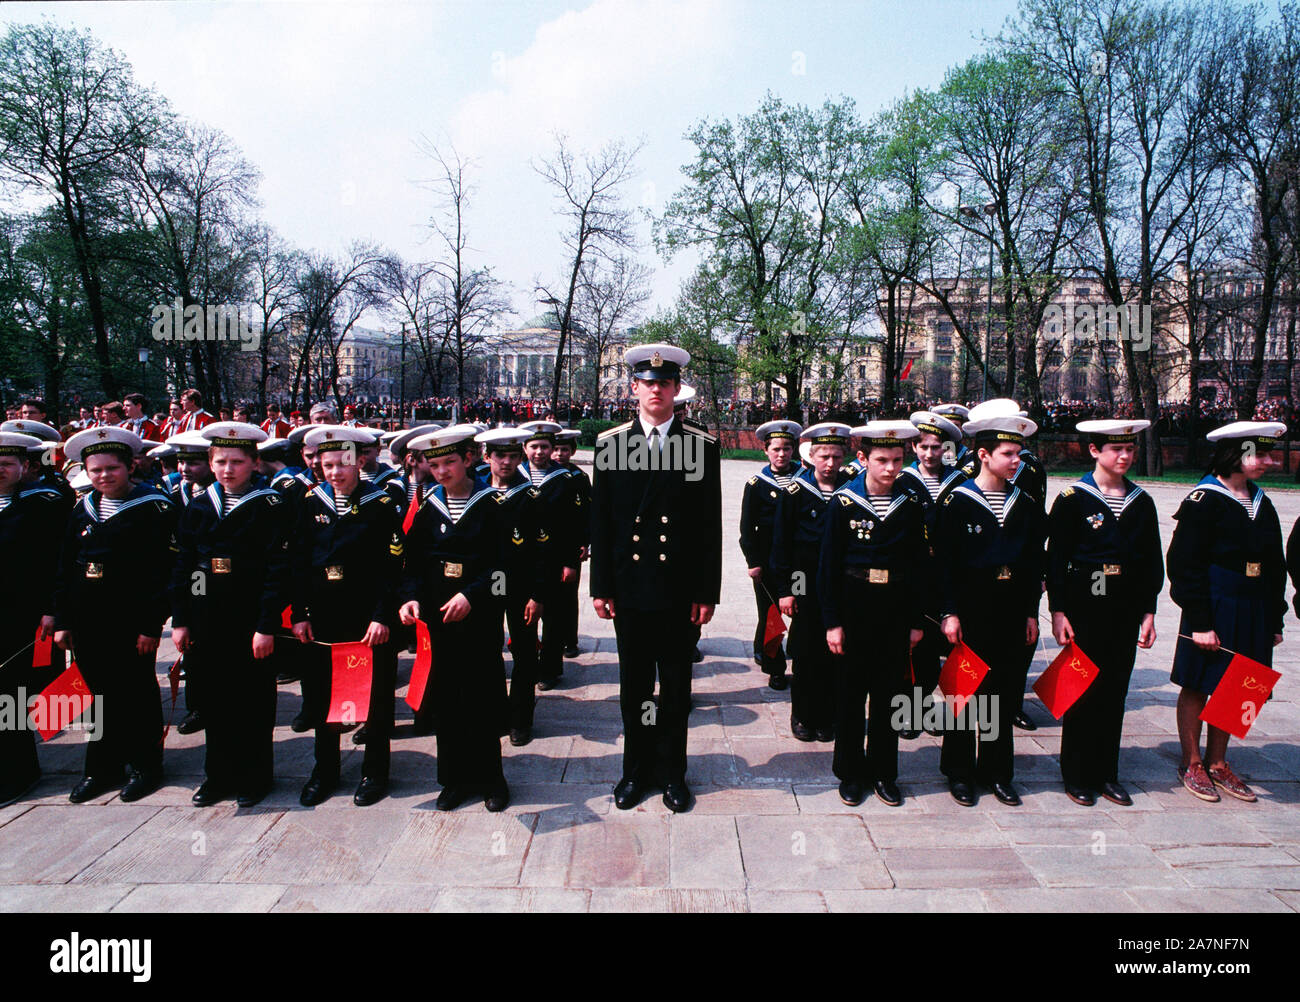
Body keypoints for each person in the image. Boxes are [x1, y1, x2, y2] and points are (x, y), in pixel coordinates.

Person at [590, 344, 721, 813]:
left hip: (679, 590)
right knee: (635, 687)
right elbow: (602, 523)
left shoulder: (701, 446)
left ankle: (673, 774)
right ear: (634, 388)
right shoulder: (611, 445)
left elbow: (710, 526)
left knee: (677, 688)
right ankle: (634, 770)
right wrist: (600, 585)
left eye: (665, 383)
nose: (657, 391)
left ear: (676, 389)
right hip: (630, 587)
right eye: (648, 383)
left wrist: (707, 592)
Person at [51, 427, 177, 803]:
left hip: (132, 622)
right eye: (95, 470)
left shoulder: (155, 508)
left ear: (131, 466)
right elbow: (65, 568)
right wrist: (63, 620)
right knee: (99, 695)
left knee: (136, 692)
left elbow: (164, 573)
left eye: (112, 469)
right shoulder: (82, 508)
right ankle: (102, 767)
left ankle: (145, 765)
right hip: (89, 620)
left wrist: (150, 624)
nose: (104, 476)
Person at [170, 422, 291, 808]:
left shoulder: (270, 504)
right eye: (220, 461)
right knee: (214, 700)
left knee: (252, 702)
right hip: (208, 619)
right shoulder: (201, 504)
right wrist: (182, 618)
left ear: (254, 463)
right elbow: (187, 564)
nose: (227, 469)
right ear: (210, 461)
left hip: (250, 619)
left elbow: (277, 569)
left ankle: (255, 777)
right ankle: (217, 775)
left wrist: (267, 624)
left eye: (237, 462)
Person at [1167, 421, 1286, 804]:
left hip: (1254, 607)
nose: (1269, 461)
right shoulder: (1205, 500)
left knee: (1242, 685)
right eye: (1260, 454)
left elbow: (1274, 564)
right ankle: (1193, 761)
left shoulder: (1261, 502)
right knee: (1200, 683)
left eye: (1270, 454)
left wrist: (1275, 617)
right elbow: (1183, 565)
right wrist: (1200, 622)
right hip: (1214, 605)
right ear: (1234, 455)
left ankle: (1219, 761)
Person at [1047, 420, 1164, 807]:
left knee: (1115, 691)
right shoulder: (1072, 498)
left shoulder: (1141, 501)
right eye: (1116, 449)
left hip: (1124, 605)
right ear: (1094, 451)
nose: (1125, 456)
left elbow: (1151, 561)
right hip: (1085, 602)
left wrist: (1148, 610)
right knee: (1081, 688)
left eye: (1129, 449)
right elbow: (1056, 559)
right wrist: (1058, 610)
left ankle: (1106, 772)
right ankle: (1077, 773)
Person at [934, 410, 1046, 807]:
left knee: (1000, 694)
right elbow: (943, 564)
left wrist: (1032, 612)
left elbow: (1034, 563)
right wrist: (948, 612)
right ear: (983, 455)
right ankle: (959, 772)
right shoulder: (957, 501)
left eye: (1019, 453)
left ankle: (997, 771)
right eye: (1008, 453)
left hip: (1011, 612)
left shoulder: (1026, 503)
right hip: (971, 611)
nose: (1017, 461)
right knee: (964, 693)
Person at [289, 426, 403, 807]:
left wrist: (382, 616)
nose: (336, 473)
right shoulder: (310, 503)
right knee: (323, 699)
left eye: (343, 464)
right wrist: (301, 613)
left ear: (359, 463)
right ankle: (325, 771)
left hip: (367, 620)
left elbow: (393, 568)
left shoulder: (382, 504)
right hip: (322, 619)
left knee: (375, 699)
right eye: (328, 466)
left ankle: (375, 773)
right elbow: (299, 563)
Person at [398, 425, 510, 811]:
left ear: (468, 459)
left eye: (449, 462)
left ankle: (492, 779)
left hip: (478, 622)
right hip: (437, 621)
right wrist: (410, 598)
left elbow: (504, 569)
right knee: (446, 702)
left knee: (481, 698)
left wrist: (472, 595)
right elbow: (411, 562)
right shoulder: (429, 507)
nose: (442, 471)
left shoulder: (494, 505)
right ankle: (453, 779)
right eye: (435, 464)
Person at [821, 421, 928, 807]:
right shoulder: (843, 503)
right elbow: (827, 567)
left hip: (894, 612)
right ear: (862, 458)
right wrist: (832, 622)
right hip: (853, 609)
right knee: (850, 697)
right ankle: (850, 773)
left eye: (898, 460)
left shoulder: (910, 504)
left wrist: (916, 621)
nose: (891, 468)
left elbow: (919, 568)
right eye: (882, 460)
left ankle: (884, 771)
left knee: (889, 697)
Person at [771, 423, 853, 743]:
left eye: (836, 456)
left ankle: (828, 714)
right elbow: (782, 545)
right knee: (806, 651)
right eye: (824, 456)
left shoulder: (852, 488)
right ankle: (803, 713)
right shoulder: (794, 492)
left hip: (840, 583)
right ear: (811, 456)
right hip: (803, 580)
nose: (830, 463)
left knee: (837, 651)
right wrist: (787, 591)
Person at [0, 431, 70, 806]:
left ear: (23, 467)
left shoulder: (40, 505)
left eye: (6, 465)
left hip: (21, 616)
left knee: (12, 695)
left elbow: (54, 563)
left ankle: (18, 772)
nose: (0, 471)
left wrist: (51, 609)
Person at [477, 427, 548, 746]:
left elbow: (543, 550)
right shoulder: (474, 494)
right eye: (499, 456)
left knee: (523, 652)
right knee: (487, 651)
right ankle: (494, 712)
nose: (505, 462)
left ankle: (521, 718)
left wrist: (538, 594)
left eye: (512, 456)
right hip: (484, 587)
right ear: (486, 457)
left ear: (520, 458)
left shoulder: (532, 497)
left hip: (520, 586)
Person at [739, 420, 801, 690]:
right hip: (767, 563)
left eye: (787, 448)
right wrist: (753, 562)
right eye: (776, 449)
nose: (782, 454)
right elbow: (746, 528)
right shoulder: (756, 485)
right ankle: (774, 667)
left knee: (802, 612)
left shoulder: (804, 479)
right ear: (765, 451)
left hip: (798, 563)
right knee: (771, 615)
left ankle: (800, 659)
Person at [518, 421, 581, 690]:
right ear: (525, 448)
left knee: (554, 616)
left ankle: (550, 669)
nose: (540, 452)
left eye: (545, 447)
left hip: (555, 557)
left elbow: (573, 522)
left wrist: (570, 561)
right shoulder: (514, 476)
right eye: (534, 447)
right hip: (521, 560)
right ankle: (527, 665)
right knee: (523, 617)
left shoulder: (564, 479)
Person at [552, 428, 589, 659]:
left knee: (568, 594)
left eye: (564, 450)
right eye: (555, 449)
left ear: (572, 451)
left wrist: (586, 542)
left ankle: (570, 640)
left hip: (573, 545)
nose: (558, 454)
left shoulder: (579, 477)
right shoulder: (541, 475)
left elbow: (588, 513)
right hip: (545, 547)